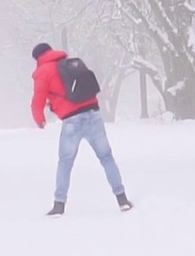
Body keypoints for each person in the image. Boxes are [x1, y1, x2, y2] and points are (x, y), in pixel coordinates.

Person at [31, 43, 132, 216]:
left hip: (72, 121)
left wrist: (39, 119)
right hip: (93, 114)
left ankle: (59, 205)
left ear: (37, 58)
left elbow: (38, 99)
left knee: (65, 163)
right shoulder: (69, 63)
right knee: (106, 158)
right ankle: (122, 199)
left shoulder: (43, 71)